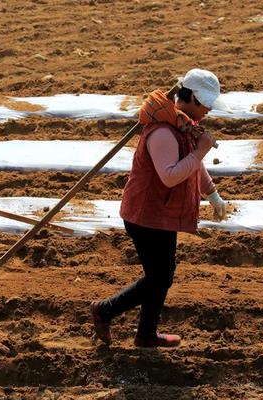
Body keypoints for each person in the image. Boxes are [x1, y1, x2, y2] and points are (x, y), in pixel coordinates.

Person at [90, 69, 230, 348]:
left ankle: (146, 334)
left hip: (162, 213)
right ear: (188, 97)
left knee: (162, 274)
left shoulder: (181, 124)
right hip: (146, 215)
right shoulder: (163, 132)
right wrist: (201, 150)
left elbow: (193, 165)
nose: (209, 109)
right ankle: (105, 310)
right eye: (204, 103)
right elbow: (170, 175)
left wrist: (212, 193)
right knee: (160, 277)